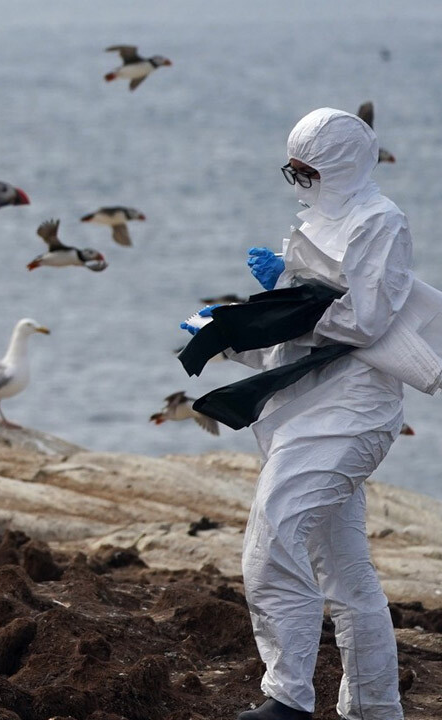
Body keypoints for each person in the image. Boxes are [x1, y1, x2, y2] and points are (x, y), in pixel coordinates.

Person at [192, 108, 410, 720]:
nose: (300, 182)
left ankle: (286, 699)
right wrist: (231, 333)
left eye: (307, 169)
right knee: (343, 571)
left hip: (353, 410)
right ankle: (374, 708)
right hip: (310, 408)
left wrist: (288, 280)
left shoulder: (379, 222)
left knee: (273, 534)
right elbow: (300, 341)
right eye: (292, 172)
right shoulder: (319, 221)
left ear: (340, 164)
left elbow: (365, 322)